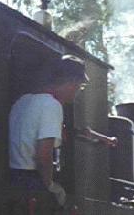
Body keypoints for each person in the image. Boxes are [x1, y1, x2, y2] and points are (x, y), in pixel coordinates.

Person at [9, 55, 116, 206]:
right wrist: (50, 187)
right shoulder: (52, 105)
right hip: (29, 182)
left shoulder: (23, 101)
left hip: (10, 178)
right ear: (71, 83)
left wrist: (100, 137)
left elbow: (64, 131)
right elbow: (43, 156)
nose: (78, 92)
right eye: (79, 87)